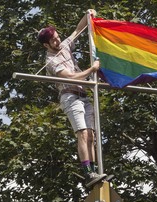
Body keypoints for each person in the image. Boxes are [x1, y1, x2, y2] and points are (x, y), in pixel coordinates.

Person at [37, 9, 106, 187]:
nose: (58, 41)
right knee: (82, 133)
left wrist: (87, 15)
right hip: (70, 97)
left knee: (91, 134)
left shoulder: (64, 45)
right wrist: (92, 70)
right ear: (46, 45)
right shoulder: (51, 61)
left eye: (58, 37)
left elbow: (78, 29)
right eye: (53, 40)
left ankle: (94, 169)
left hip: (83, 95)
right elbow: (70, 77)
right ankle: (88, 173)